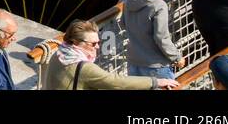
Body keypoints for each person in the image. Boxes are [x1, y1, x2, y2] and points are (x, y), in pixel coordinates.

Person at [41, 19, 178, 89]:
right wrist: (156, 82)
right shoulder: (84, 67)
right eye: (93, 44)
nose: (97, 47)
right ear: (76, 42)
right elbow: (116, 82)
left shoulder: (60, 52)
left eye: (98, 42)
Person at [122, 0, 185, 80]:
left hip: (134, 62)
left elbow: (124, 24)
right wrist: (177, 57)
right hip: (155, 66)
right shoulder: (158, 5)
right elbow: (161, 38)